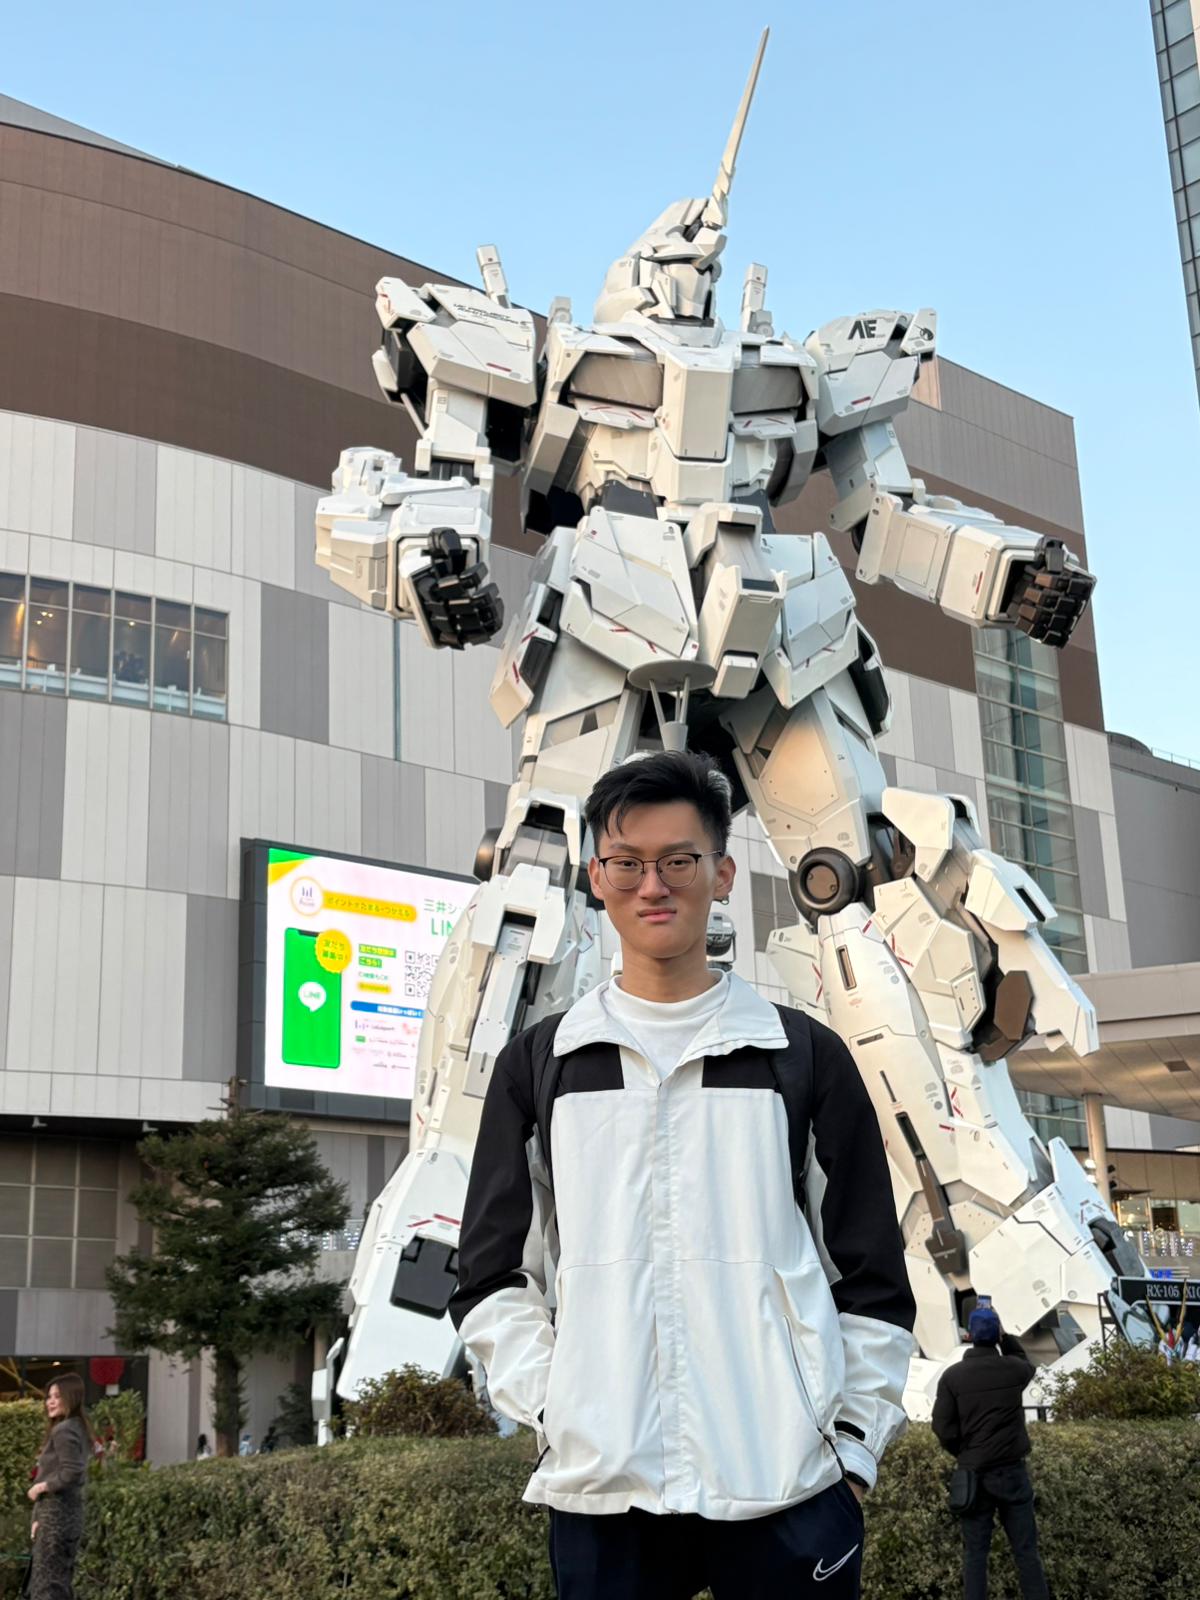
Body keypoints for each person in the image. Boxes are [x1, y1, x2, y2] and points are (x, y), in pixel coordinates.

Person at [451, 750, 917, 1599]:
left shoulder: (801, 1056)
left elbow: (874, 1280)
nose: (653, 886)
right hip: (604, 1493)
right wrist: (560, 1406)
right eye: (627, 863)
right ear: (596, 877)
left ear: (722, 873)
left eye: (678, 860)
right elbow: (489, 1276)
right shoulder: (543, 1065)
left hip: (788, 1485)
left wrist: (852, 1448)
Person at [931, 1307, 1049, 1600]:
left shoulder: (953, 1377)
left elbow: (942, 1427)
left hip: (974, 1477)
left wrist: (964, 1453)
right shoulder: (1013, 1369)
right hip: (1012, 1473)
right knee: (1026, 1553)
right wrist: (1006, 1337)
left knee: (975, 1555)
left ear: (969, 1336)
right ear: (997, 1335)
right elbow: (1025, 1362)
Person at [27, 1372, 94, 1600]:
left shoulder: (63, 1430)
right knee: (58, 1584)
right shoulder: (77, 1427)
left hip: (56, 1517)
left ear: (71, 1397)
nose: (50, 1402)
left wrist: (41, 1487)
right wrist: (37, 1518)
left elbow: (71, 1472)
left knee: (47, 1588)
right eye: (49, 1397)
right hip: (65, 1516)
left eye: (57, 1396)